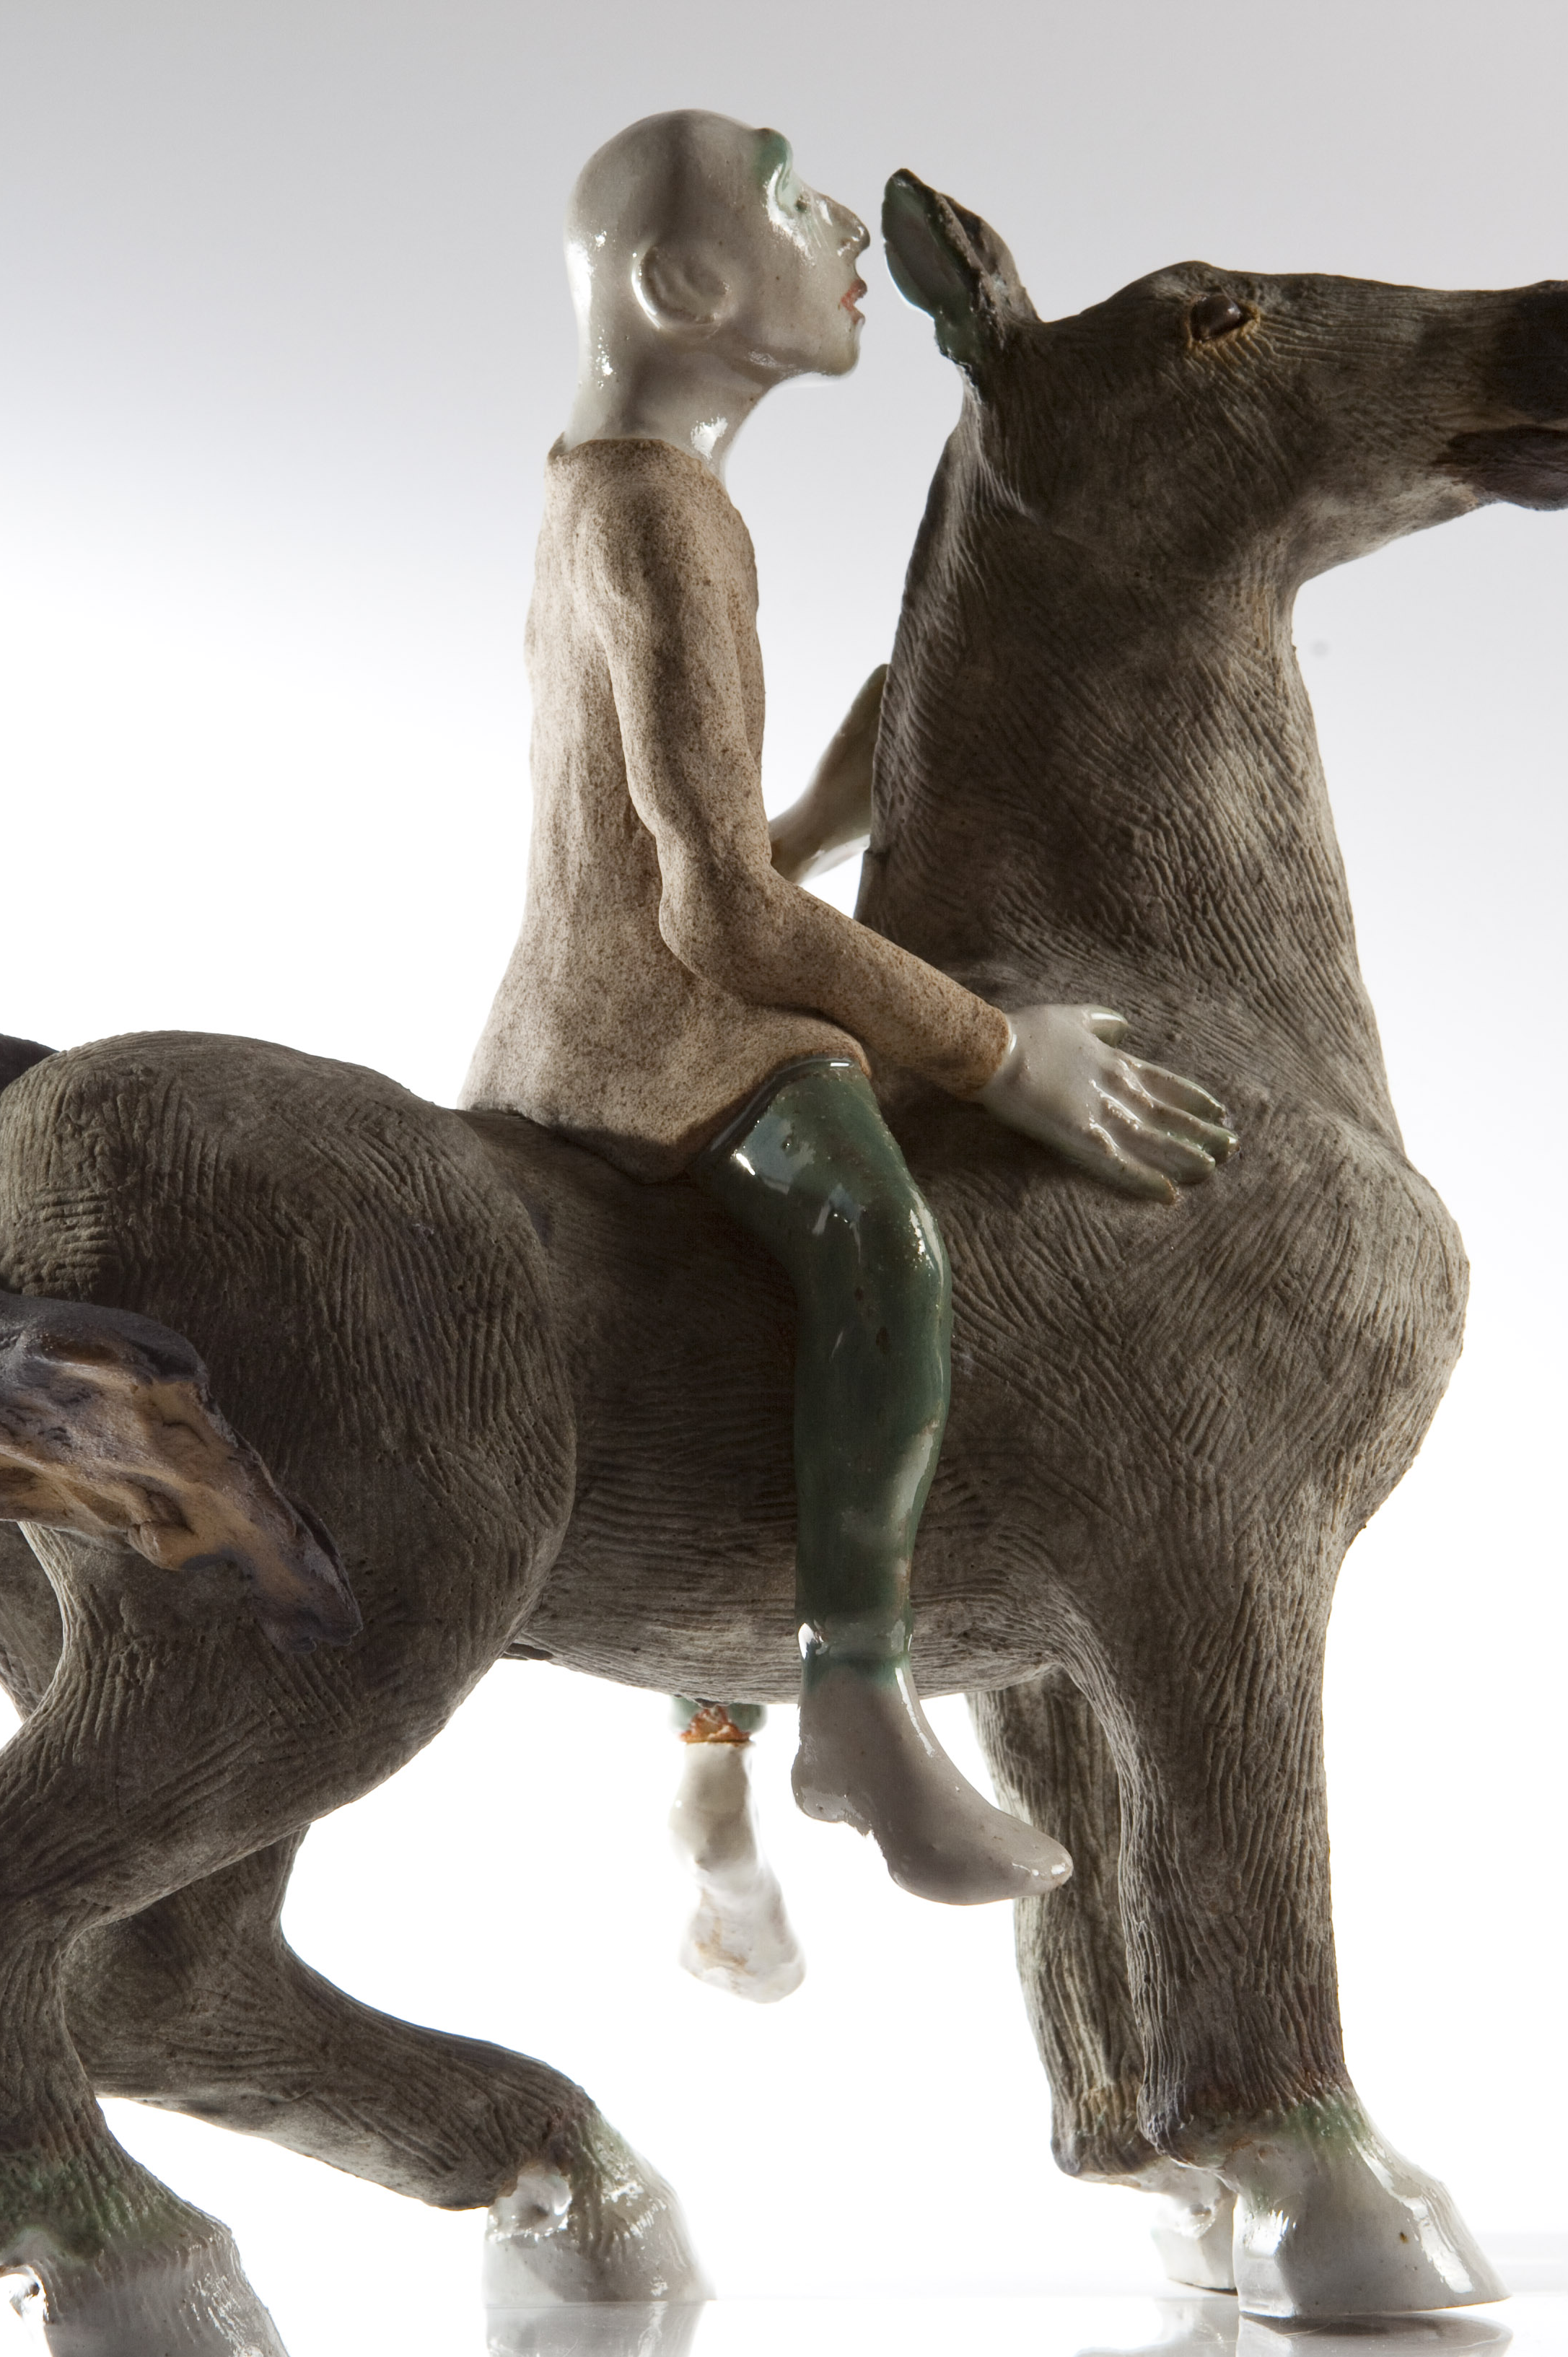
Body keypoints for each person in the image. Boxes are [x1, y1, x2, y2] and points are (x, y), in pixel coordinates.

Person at [463, 110, 1235, 1907]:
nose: (845, 237)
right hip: (649, 1018)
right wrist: (999, 1051)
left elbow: (664, 824)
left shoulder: (617, 484)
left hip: (581, 989)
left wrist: (814, 814)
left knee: (713, 1337)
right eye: (796, 202)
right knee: (880, 1246)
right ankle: (860, 1703)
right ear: (687, 287)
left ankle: (708, 1748)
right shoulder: (656, 517)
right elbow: (717, 918)